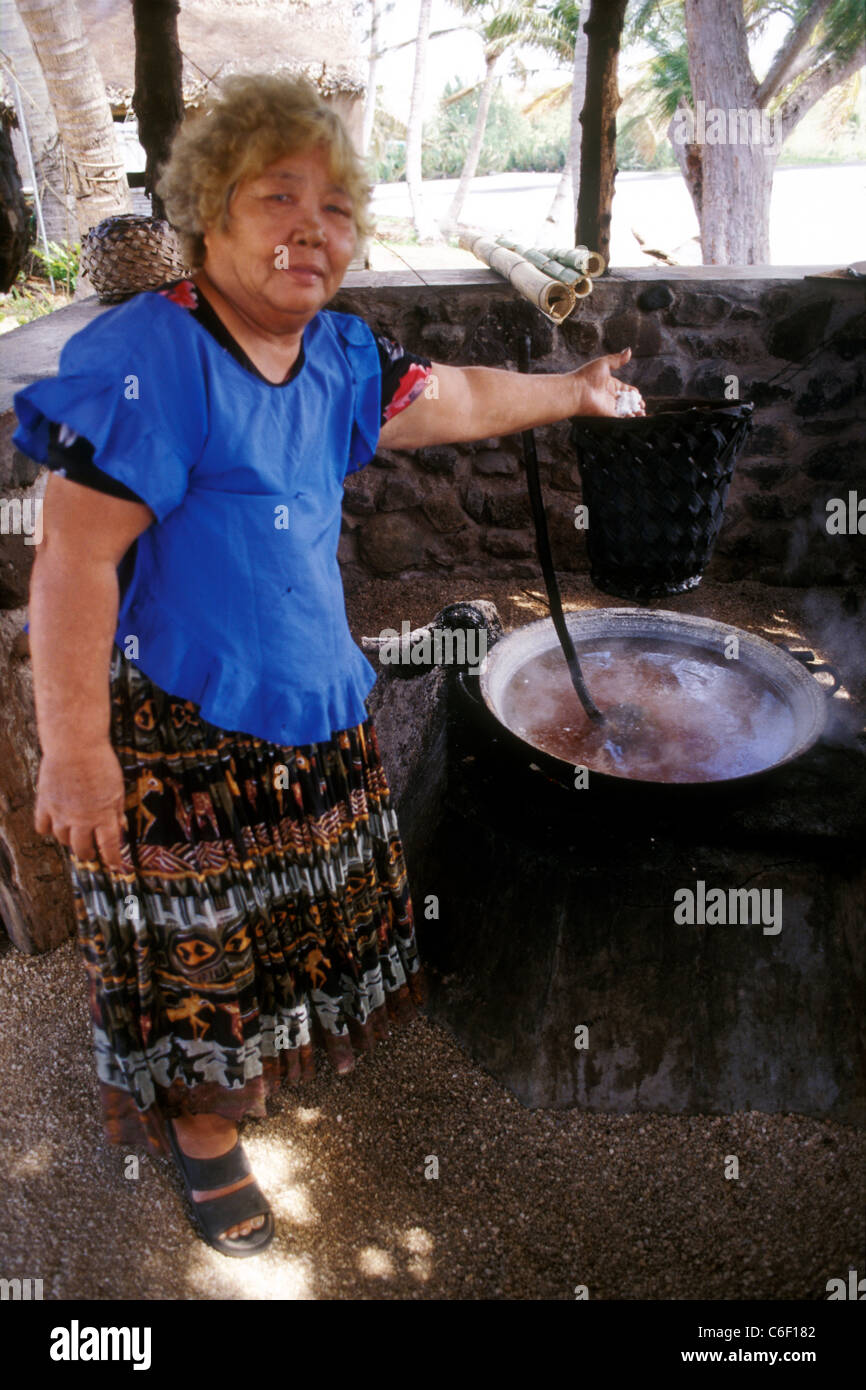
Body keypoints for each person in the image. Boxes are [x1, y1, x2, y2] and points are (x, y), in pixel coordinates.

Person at [13, 73, 644, 1258]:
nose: (313, 228)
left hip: (311, 696)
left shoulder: (337, 355)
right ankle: (202, 1134)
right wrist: (81, 754)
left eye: (336, 207)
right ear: (209, 215)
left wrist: (568, 391)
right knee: (199, 939)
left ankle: (257, 1067)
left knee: (284, 922)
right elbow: (72, 566)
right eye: (276, 197)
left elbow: (448, 395)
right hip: (176, 731)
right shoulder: (150, 357)